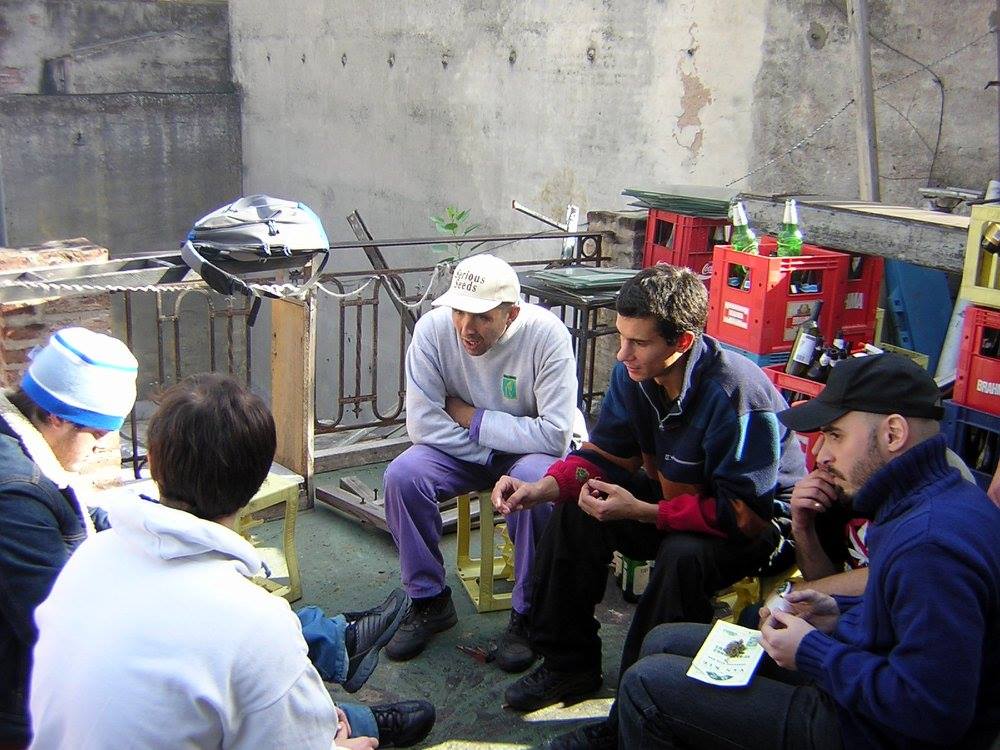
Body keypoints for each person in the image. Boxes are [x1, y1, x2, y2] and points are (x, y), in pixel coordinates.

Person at [29, 374, 436, 749]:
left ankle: (348, 705)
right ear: (258, 483)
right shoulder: (254, 621)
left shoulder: (90, 558)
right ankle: (352, 719)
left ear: (151, 461)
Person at [616, 353, 1000, 749]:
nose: (821, 455)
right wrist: (837, 618)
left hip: (871, 730)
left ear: (893, 434)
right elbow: (898, 626)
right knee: (663, 641)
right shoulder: (928, 500)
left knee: (647, 686)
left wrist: (813, 651)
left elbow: (934, 711)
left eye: (835, 435)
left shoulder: (929, 544)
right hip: (864, 690)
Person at [495, 265, 806, 741]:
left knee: (683, 556)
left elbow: (745, 516)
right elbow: (607, 456)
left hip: (759, 529)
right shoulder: (635, 376)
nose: (623, 354)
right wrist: (544, 488)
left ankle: (636, 708)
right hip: (676, 502)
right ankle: (567, 664)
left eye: (638, 343)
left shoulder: (737, 392)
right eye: (621, 338)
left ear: (683, 342)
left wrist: (644, 512)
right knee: (578, 505)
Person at [383, 253, 579, 671]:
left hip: (529, 453)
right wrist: (491, 450)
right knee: (403, 476)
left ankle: (528, 613)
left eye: (482, 317)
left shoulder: (548, 336)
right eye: (459, 311)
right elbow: (423, 424)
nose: (466, 328)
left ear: (512, 313)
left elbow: (555, 435)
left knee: (533, 486)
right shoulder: (433, 331)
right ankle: (429, 599)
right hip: (470, 450)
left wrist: (472, 417)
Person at [0, 327, 139, 749]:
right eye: (96, 433)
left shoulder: (24, 447)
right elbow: (59, 628)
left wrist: (145, 524)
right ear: (57, 416)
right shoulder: (16, 495)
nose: (102, 445)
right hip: (18, 705)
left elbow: (73, 512)